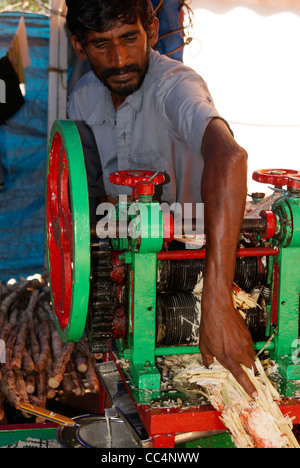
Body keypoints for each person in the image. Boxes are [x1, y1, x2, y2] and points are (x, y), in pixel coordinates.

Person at [65, 0, 257, 398]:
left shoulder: (176, 86)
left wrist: (218, 303)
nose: (119, 59)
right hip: (126, 290)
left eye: (129, 39)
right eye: (101, 44)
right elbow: (85, 200)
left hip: (195, 283)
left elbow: (230, 156)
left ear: (151, 31)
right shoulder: (82, 98)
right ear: (79, 47)